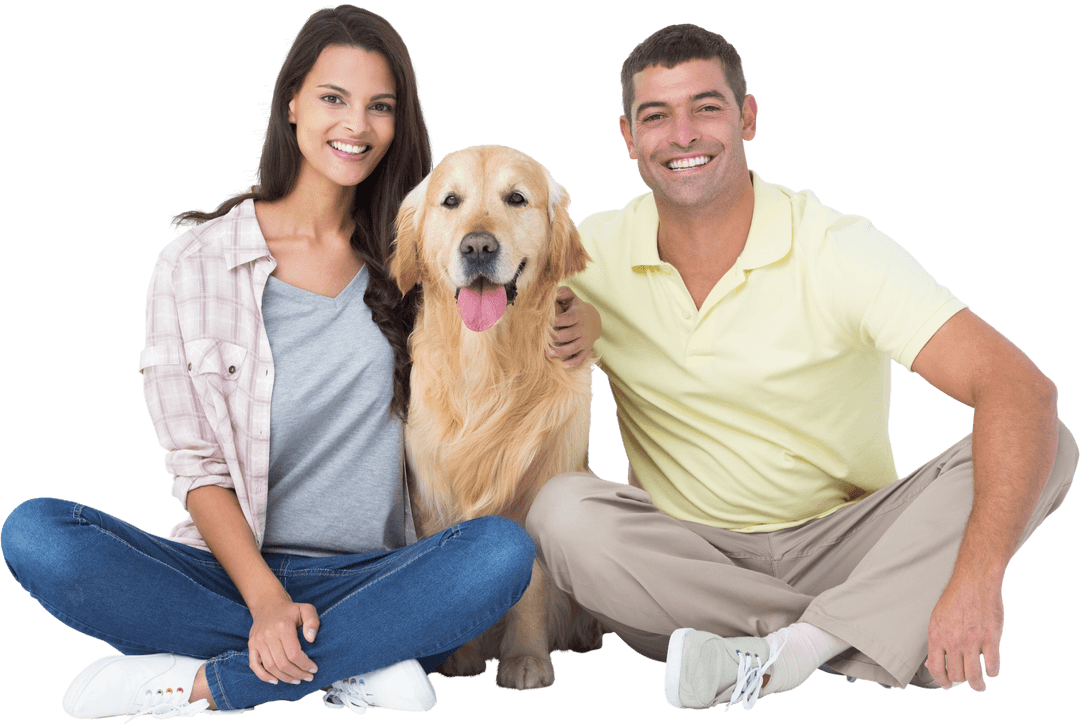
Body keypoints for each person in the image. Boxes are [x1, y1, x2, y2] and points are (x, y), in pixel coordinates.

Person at [0, 5, 589, 720]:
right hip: (226, 573)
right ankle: (360, 659)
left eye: (380, 106)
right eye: (333, 98)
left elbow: (519, 311)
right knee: (36, 533)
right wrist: (268, 601)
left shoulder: (412, 259)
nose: (357, 124)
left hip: (381, 574)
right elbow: (198, 468)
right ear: (291, 104)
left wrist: (580, 316)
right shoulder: (196, 265)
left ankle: (200, 683)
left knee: (499, 552)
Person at [527, 23, 1078, 712]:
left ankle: (789, 651)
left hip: (849, 538)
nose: (683, 134)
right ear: (628, 137)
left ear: (748, 117)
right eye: (656, 116)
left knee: (1049, 437)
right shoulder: (594, 250)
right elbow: (502, 311)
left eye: (707, 106)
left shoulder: (835, 248)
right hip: (686, 562)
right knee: (563, 510)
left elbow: (1019, 387)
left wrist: (975, 576)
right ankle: (861, 631)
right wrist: (573, 324)